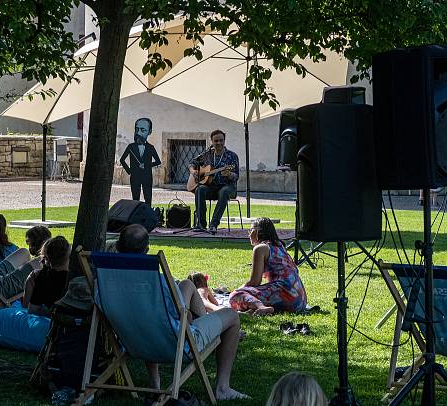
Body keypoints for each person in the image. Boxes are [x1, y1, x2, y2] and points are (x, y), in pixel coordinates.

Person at [116, 224, 248, 401]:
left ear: (118, 247)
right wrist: (188, 316)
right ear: (146, 250)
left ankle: (154, 382)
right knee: (231, 316)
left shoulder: (108, 283)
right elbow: (182, 316)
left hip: (134, 342)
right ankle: (223, 388)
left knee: (184, 287)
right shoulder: (157, 283)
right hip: (176, 344)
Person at [230, 218, 307, 316]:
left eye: (251, 230)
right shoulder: (279, 246)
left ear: (258, 231)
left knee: (236, 296)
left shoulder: (260, 248)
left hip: (286, 294)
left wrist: (239, 289)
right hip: (300, 301)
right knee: (251, 294)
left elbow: (255, 282)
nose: (249, 234)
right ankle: (255, 309)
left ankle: (260, 307)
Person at [189, 129, 239, 232]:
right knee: (199, 189)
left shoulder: (232, 156)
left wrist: (229, 174)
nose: (219, 143)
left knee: (224, 191)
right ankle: (201, 225)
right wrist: (193, 171)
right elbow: (192, 163)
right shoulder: (208, 154)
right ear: (212, 141)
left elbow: (236, 176)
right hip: (211, 187)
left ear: (224, 140)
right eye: (216, 141)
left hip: (228, 188)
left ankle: (213, 225)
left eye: (221, 140)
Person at [23, 236, 70, 316]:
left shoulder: (39, 276)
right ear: (68, 257)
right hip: (60, 322)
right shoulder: (72, 279)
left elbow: (29, 308)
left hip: (38, 320)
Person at [119, 117, 161, 206]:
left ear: (149, 132)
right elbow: (122, 160)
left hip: (147, 177)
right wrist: (129, 171)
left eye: (142, 130)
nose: (138, 133)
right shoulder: (131, 147)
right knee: (135, 199)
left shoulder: (151, 148)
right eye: (136, 129)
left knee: (148, 199)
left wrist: (146, 165)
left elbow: (158, 161)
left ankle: (148, 216)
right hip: (135, 177)